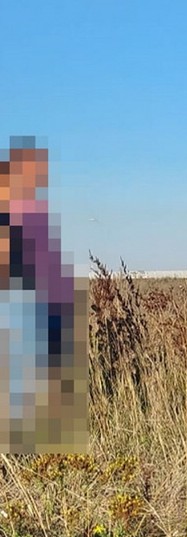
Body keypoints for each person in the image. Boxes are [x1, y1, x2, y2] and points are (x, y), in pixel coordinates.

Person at [1, 135, 89, 453]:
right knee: (18, 391)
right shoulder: (10, 207)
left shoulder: (30, 208)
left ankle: (32, 452)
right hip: (20, 299)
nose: (39, 177)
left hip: (43, 301)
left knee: (37, 389)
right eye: (32, 169)